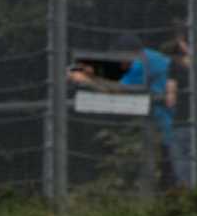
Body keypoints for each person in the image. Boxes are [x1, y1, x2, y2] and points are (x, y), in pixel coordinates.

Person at [70, 29, 187, 188]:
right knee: (170, 181)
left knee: (174, 181)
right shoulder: (150, 57)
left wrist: (87, 80)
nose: (120, 62)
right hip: (171, 127)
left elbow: (119, 90)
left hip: (170, 129)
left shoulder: (141, 63)